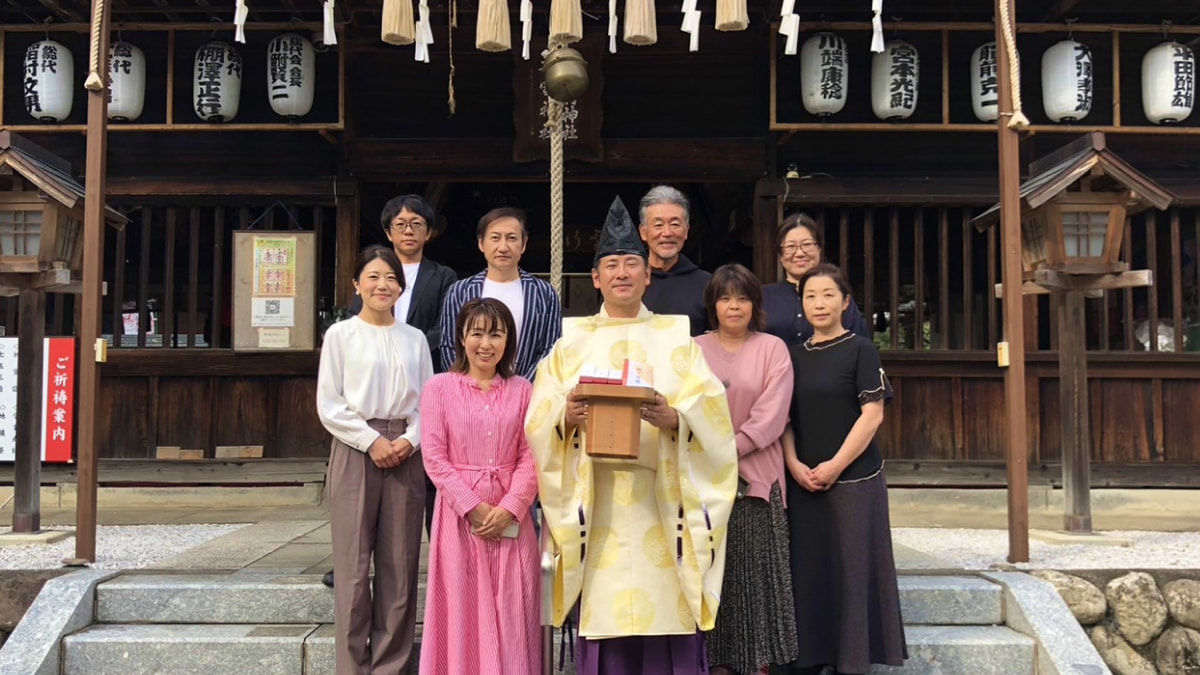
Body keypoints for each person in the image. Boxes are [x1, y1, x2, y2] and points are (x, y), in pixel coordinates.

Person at [526, 196, 738, 675]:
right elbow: (539, 418)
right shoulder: (570, 343)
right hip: (596, 503)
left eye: (631, 265)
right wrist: (566, 416)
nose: (622, 273)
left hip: (661, 503)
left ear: (647, 275)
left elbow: (714, 416)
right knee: (606, 622)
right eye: (611, 266)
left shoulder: (676, 337)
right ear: (596, 279)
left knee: (668, 615)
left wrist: (677, 420)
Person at [316, 245, 434, 675]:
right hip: (355, 447)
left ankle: (391, 664)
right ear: (356, 284)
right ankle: (352, 665)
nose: (382, 285)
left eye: (391, 279)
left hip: (405, 450)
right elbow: (330, 404)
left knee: (400, 565)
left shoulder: (414, 338)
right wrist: (370, 441)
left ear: (401, 288)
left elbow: (428, 400)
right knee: (351, 565)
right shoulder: (341, 335)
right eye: (373, 277)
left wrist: (411, 440)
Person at [784, 264, 906, 675]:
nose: (819, 303)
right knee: (810, 571)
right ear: (801, 305)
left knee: (852, 572)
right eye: (811, 295)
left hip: (854, 479)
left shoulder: (860, 349)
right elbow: (782, 420)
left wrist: (834, 466)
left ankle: (851, 661)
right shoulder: (792, 356)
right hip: (803, 481)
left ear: (845, 302)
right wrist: (794, 465)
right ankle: (810, 657)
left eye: (828, 294)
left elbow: (872, 415)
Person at [332, 194, 455, 590]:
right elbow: (357, 320)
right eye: (400, 224)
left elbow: (447, 326)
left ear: (429, 232)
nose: (408, 230)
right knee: (353, 498)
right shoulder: (372, 269)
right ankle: (348, 563)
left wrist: (411, 339)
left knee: (421, 490)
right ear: (388, 231)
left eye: (416, 223)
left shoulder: (444, 276)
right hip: (368, 404)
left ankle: (436, 557)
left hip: (421, 377)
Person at [419, 298, 541, 675]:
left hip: (512, 516)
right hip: (459, 519)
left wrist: (511, 506)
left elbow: (533, 454)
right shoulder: (439, 388)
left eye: (496, 334)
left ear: (509, 341)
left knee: (515, 604)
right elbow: (435, 457)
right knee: (462, 607)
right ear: (461, 338)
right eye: (476, 333)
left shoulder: (524, 390)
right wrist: (472, 505)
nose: (485, 343)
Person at [694, 264, 798, 675]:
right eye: (725, 298)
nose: (734, 306)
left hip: (758, 477)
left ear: (755, 304)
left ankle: (759, 665)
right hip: (702, 480)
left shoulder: (773, 348)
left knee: (755, 579)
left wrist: (727, 448)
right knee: (712, 576)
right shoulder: (692, 348)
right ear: (713, 305)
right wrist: (711, 452)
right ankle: (713, 663)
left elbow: (772, 416)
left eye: (742, 298)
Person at [438, 207, 562, 381]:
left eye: (511, 238)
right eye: (495, 238)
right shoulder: (460, 291)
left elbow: (551, 349)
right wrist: (471, 385)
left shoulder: (544, 293)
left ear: (524, 244)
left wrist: (521, 388)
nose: (503, 247)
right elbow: (449, 345)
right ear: (481, 243)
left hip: (527, 395)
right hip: (470, 395)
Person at [762, 214, 869, 349]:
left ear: (819, 249)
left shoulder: (838, 295)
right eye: (790, 246)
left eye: (807, 245)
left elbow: (859, 345)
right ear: (780, 255)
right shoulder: (763, 296)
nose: (799, 253)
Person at [638, 185, 712, 336]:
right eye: (658, 225)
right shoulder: (628, 281)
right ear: (643, 232)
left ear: (686, 231)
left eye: (675, 224)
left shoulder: (708, 284)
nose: (667, 233)